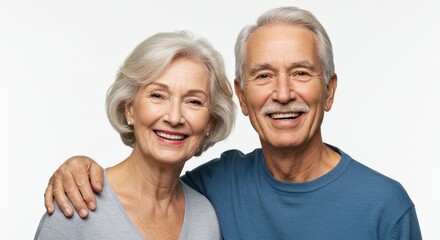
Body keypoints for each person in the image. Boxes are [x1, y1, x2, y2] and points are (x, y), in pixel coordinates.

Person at [43, 6, 422, 239]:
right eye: (263, 75)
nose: (283, 92)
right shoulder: (216, 188)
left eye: (301, 73)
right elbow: (144, 187)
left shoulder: (385, 208)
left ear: (329, 91)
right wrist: (78, 167)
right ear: (241, 97)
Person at [35, 30, 236, 239]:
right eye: (158, 95)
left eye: (193, 101)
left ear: (210, 122)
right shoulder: (78, 203)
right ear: (129, 108)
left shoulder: (206, 218)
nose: (174, 117)